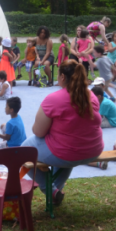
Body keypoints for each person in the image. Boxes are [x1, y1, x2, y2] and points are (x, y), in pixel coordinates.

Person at [22, 60, 104, 203]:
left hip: (68, 153)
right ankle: (55, 194)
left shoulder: (54, 99)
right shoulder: (91, 96)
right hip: (93, 150)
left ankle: (50, 190)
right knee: (66, 150)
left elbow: (39, 132)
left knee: (22, 153)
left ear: (62, 77)